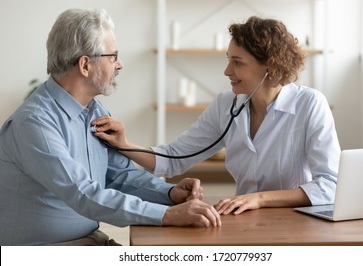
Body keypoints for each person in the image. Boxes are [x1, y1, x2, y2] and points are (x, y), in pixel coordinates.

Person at [0, 8, 221, 246]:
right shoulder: (35, 123)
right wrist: (167, 215)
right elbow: (83, 193)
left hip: (90, 241)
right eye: (113, 56)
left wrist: (168, 194)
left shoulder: (96, 113)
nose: (120, 64)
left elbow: (120, 175)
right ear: (85, 65)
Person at [92, 16, 341, 216]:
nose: (227, 71)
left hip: (299, 222)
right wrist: (124, 144)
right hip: (245, 220)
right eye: (228, 60)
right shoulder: (226, 105)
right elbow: (174, 158)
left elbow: (330, 186)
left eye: (238, 62)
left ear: (269, 65)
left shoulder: (309, 104)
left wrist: (260, 199)